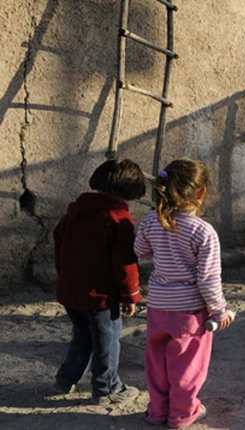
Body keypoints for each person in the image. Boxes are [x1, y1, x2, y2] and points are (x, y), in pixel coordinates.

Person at [134, 158, 233, 429]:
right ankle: (181, 414)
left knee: (157, 363)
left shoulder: (151, 221)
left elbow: (139, 252)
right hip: (189, 313)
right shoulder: (204, 232)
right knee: (187, 366)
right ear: (201, 193)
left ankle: (157, 411)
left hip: (157, 307)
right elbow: (208, 280)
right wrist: (220, 311)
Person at [53, 158, 145, 405]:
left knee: (82, 336)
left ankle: (65, 379)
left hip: (71, 291)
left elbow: (59, 247)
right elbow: (125, 264)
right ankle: (107, 388)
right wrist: (131, 296)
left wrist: (64, 278)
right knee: (107, 341)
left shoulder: (74, 212)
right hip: (102, 297)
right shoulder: (119, 219)